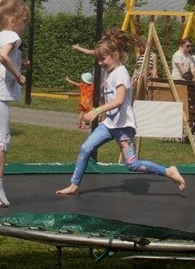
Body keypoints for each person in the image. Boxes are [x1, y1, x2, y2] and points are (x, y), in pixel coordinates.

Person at [57, 29, 187, 196]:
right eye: (98, 59)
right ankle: (74, 185)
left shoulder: (121, 73)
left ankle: (168, 171)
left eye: (103, 59)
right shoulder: (110, 71)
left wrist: (97, 111)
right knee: (85, 149)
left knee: (132, 164)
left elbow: (119, 100)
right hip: (109, 125)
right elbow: (98, 56)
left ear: (115, 55)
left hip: (124, 126)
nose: (100, 63)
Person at [0, 0, 31, 208]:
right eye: (24, 22)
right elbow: (4, 58)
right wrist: (18, 75)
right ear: (14, 20)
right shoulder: (13, 36)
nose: (25, 27)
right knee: (3, 139)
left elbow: (4, 56)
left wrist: (20, 62)